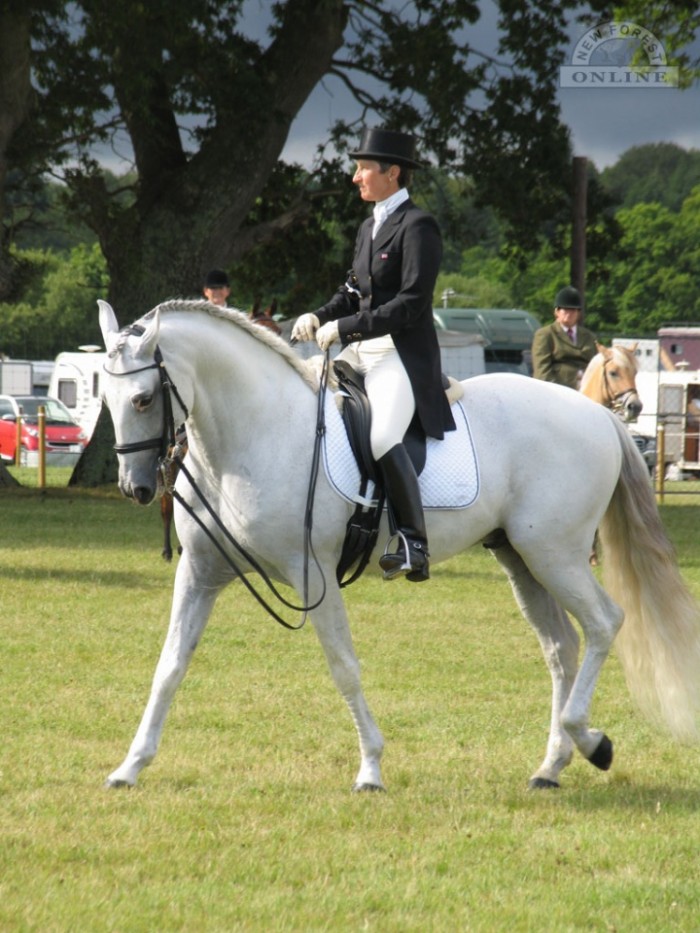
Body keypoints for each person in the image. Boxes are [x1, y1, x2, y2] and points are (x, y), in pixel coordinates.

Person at [291, 127, 455, 583]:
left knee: (383, 436)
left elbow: (410, 304)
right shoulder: (369, 227)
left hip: (400, 353)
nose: (355, 177)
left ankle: (413, 542)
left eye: (363, 168)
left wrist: (342, 328)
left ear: (392, 172)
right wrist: (317, 314)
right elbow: (352, 290)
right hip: (360, 351)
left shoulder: (419, 226)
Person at [531, 286, 597, 389]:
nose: (569, 313)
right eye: (565, 309)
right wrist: (557, 392)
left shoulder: (589, 336)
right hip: (559, 390)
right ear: (557, 311)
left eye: (573, 310)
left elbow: (597, 365)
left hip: (588, 389)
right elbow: (542, 371)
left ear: (578, 313)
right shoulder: (545, 334)